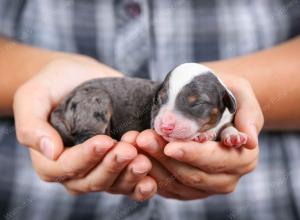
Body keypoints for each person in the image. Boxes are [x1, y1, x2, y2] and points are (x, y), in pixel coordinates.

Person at [0, 0, 299, 219]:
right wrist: (37, 76)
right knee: (95, 127)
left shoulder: (223, 103)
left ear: (227, 103)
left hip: (262, 200)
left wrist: (238, 116)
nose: (166, 123)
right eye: (163, 101)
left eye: (193, 107)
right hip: (34, 199)